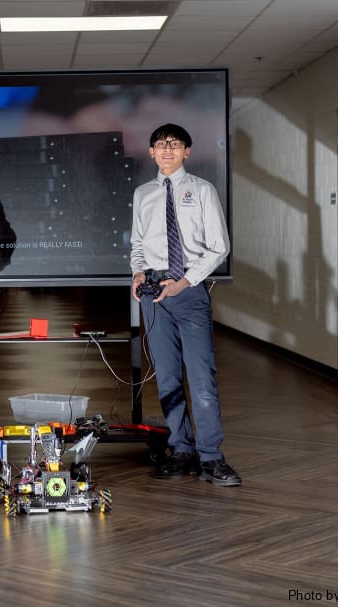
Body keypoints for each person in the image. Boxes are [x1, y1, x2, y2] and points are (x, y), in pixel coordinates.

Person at [130, 123, 241, 487]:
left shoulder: (202, 190)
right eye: (160, 144)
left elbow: (219, 247)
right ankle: (182, 449)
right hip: (153, 294)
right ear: (151, 152)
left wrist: (185, 281)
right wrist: (137, 273)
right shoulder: (143, 193)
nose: (167, 150)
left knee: (201, 379)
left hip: (189, 290)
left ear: (186, 152)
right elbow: (138, 245)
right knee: (167, 379)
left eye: (174, 145)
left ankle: (211, 457)